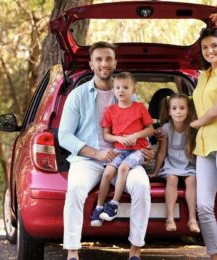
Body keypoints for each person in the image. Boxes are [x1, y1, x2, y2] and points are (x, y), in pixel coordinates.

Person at [58, 41, 152, 260]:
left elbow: (140, 129)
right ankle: (72, 252)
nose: (104, 63)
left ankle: (135, 251)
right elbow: (64, 135)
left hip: (124, 157)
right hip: (88, 160)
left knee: (141, 185)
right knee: (75, 190)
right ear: (91, 64)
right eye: (99, 59)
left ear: (115, 62)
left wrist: (145, 149)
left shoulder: (129, 95)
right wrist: (95, 153)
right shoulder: (78, 95)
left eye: (108, 58)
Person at [90, 72, 154, 226]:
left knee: (124, 168)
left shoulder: (139, 108)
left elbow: (150, 130)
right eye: (118, 87)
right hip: (119, 149)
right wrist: (118, 138)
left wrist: (136, 135)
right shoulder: (111, 111)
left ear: (133, 90)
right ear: (113, 90)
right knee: (107, 173)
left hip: (138, 150)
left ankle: (113, 204)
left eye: (125, 87)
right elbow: (106, 135)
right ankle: (99, 208)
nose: (121, 90)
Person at [149, 93, 200, 233]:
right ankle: (170, 219)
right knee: (171, 179)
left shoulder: (192, 128)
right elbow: (161, 152)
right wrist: (155, 171)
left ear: (188, 110)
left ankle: (192, 219)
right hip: (171, 164)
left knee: (192, 180)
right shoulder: (165, 128)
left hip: (187, 164)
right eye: (175, 108)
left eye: (182, 108)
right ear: (170, 112)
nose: (178, 111)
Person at [190, 27, 217, 260]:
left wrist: (197, 122)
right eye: (205, 47)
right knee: (203, 207)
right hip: (204, 147)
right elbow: (193, 102)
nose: (209, 51)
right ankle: (214, 254)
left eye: (214, 46)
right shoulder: (202, 75)